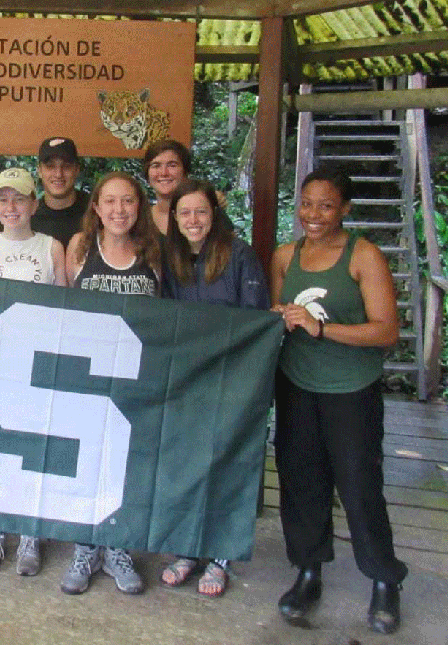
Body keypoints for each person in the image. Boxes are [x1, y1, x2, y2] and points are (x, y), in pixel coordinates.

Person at [270, 166, 408, 634]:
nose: (314, 214)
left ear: (345, 209)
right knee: (301, 482)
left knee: (359, 487)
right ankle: (308, 571)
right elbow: (278, 319)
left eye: (326, 205)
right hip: (296, 388)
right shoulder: (285, 256)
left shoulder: (362, 256)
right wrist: (280, 318)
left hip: (351, 393)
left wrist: (321, 326)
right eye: (307, 203)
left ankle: (384, 578)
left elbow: (386, 330)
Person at [159, 178, 269, 596]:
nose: (193, 220)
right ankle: (187, 549)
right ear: (174, 218)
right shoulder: (171, 259)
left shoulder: (239, 256)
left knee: (224, 463)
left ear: (214, 215)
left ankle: (220, 557)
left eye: (201, 212)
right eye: (184, 213)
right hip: (187, 380)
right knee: (186, 464)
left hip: (230, 378)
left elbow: (253, 320)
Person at [60, 171, 160, 595]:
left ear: (139, 207)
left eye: (129, 201)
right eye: (111, 202)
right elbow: (62, 308)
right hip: (88, 375)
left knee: (126, 466)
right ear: (97, 208)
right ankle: (85, 547)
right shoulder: (80, 248)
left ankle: (118, 547)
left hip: (135, 379)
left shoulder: (152, 252)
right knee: (86, 465)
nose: (120, 210)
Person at [0, 167, 66, 577]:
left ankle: (29, 533)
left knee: (33, 446)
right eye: (3, 199)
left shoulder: (52, 247)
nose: (12, 206)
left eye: (20, 198)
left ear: (34, 204)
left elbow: (64, 308)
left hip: (39, 357)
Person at [142, 138, 231, 237]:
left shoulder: (211, 215)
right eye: (156, 166)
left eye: (172, 165)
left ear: (185, 172)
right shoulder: (138, 220)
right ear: (147, 175)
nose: (164, 173)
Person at [32, 136, 90, 249]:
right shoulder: (29, 216)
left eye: (66, 166)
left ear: (77, 170)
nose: (58, 174)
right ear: (39, 171)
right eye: (50, 166)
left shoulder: (96, 212)